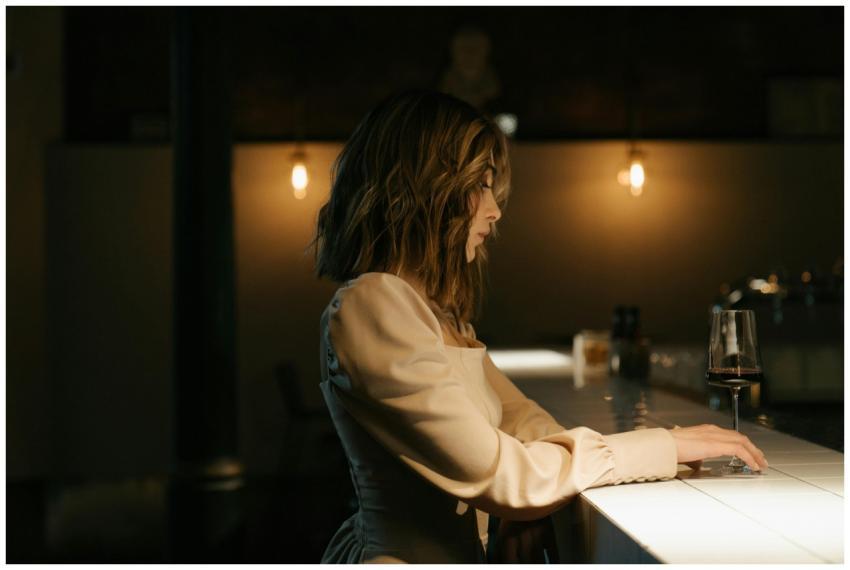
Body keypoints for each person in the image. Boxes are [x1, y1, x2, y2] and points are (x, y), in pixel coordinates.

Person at [310, 89, 768, 564]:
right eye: (480, 185)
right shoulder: (374, 304)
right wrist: (664, 445)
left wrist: (525, 507)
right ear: (429, 188)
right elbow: (504, 475)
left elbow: (522, 422)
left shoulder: (438, 312)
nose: (495, 210)